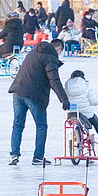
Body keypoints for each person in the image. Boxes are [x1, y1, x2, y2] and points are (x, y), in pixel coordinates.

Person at [8, 37, 69, 166]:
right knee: (41, 126)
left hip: (18, 91)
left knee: (18, 124)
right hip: (34, 95)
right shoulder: (50, 58)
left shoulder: (33, 52)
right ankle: (38, 157)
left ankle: (14, 154)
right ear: (57, 49)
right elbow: (54, 81)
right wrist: (64, 99)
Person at [63, 68, 98, 147]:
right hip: (86, 114)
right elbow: (94, 101)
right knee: (96, 123)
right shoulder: (86, 87)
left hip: (72, 114)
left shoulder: (67, 87)